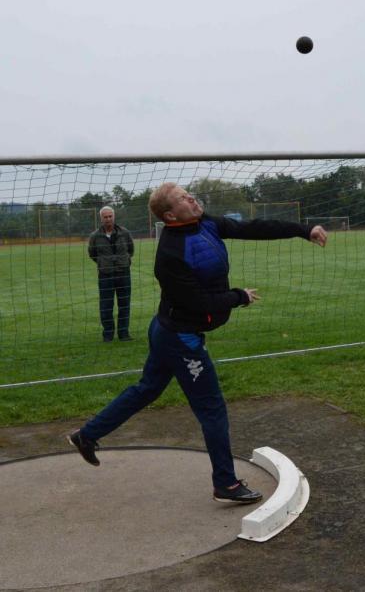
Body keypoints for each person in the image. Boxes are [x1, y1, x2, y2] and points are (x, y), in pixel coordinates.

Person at [69, 184, 327, 504]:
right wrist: (239, 296)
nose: (191, 198)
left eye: (188, 194)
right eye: (182, 198)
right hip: (180, 338)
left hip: (167, 329)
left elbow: (253, 227)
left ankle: (87, 435)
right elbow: (199, 302)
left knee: (147, 389)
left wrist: (305, 229)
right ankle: (226, 484)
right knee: (212, 408)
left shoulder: (207, 223)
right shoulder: (170, 254)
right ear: (169, 214)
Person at [88, 206, 134, 342]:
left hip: (123, 273)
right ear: (101, 219)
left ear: (114, 217)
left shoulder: (125, 233)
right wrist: (104, 263)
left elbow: (131, 250)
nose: (108, 219)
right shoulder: (95, 236)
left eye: (110, 216)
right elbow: (92, 254)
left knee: (124, 304)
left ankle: (124, 334)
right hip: (105, 275)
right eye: (105, 217)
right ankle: (108, 334)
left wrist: (123, 261)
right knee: (106, 306)